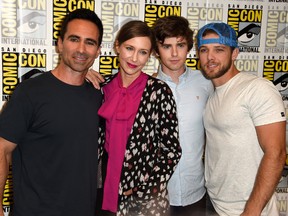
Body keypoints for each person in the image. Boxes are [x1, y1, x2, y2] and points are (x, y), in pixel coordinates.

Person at [0, 9, 103, 216]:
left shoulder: (99, 94)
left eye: (89, 42)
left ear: (98, 50)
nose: (81, 49)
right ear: (59, 43)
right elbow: (2, 149)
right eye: (74, 39)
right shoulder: (30, 92)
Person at [196, 22, 286, 216]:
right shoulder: (212, 95)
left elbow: (276, 153)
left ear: (234, 53)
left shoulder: (257, 88)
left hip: (248, 209)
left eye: (219, 50)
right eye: (204, 50)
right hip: (215, 203)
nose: (210, 57)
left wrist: (251, 211)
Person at [97, 20, 181, 216]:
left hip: (144, 199)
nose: (134, 58)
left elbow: (172, 151)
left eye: (143, 52)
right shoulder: (101, 87)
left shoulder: (159, 91)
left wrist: (143, 189)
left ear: (150, 55)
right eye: (129, 48)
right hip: (102, 190)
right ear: (117, 46)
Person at [151, 16, 214, 215]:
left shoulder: (206, 82)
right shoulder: (145, 87)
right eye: (167, 46)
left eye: (180, 45)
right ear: (156, 51)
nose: (175, 53)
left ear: (189, 47)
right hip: (156, 193)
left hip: (196, 192)